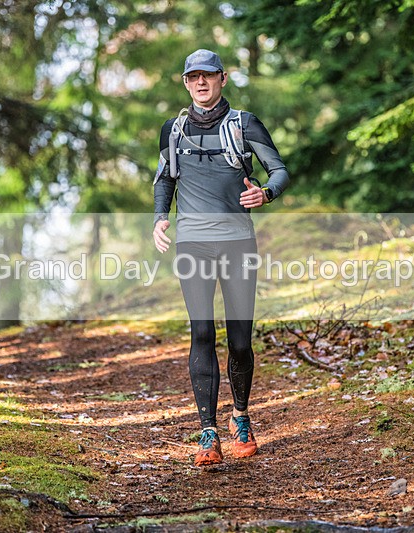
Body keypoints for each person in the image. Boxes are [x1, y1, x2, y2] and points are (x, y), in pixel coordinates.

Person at [152, 49, 289, 466]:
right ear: (185, 82)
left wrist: (264, 193)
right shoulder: (172, 130)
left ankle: (241, 416)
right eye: (193, 77)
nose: (200, 83)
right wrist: (160, 218)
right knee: (201, 332)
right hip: (192, 243)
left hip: (237, 242)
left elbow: (279, 170)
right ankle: (208, 432)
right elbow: (164, 180)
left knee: (241, 340)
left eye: (207, 76)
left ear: (222, 78)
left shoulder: (244, 124)